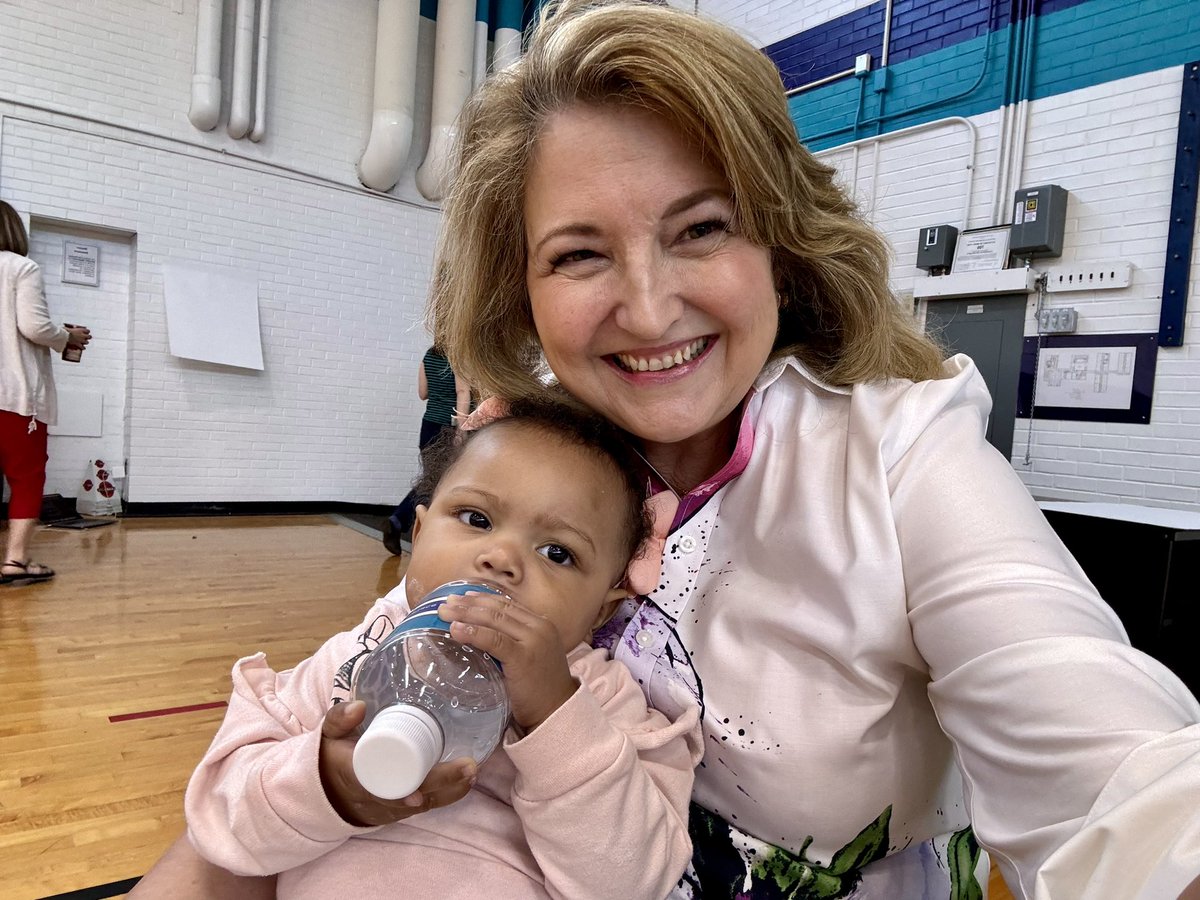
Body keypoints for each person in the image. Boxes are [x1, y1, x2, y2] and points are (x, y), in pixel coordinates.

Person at [135, 1, 1200, 897]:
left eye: (701, 229)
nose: (648, 311)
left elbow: (1115, 760)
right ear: (523, 289)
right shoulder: (532, 462)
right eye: (581, 252)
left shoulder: (898, 450)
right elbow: (282, 771)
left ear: (782, 244)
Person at [179, 397, 702, 899]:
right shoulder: (358, 658)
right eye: (476, 519)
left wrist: (555, 716)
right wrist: (324, 788)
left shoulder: (603, 699)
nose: (501, 558)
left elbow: (634, 882)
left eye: (557, 552)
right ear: (421, 533)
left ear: (603, 609)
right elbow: (224, 825)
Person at [0, 200, 91, 587]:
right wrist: (67, 337)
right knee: (26, 477)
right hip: (12, 396)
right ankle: (14, 563)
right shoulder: (20, 267)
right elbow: (34, 327)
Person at [382, 344, 473, 555]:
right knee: (436, 482)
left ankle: (406, 525)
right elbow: (463, 391)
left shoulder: (429, 355)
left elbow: (423, 393)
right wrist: (461, 430)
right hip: (447, 428)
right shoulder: (460, 355)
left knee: (432, 479)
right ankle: (402, 522)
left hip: (428, 425)